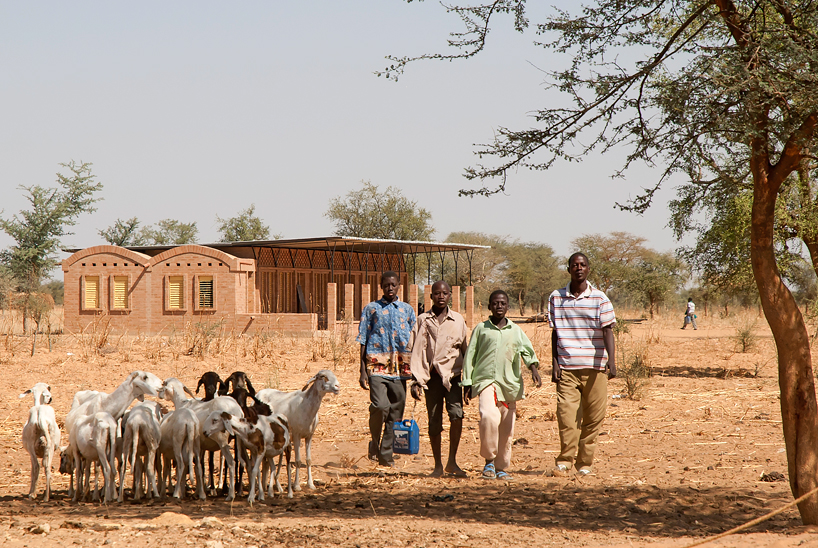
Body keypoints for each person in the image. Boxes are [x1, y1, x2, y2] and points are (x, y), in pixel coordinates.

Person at [462, 289, 541, 480]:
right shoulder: (481, 329)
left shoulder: (515, 330)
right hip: (485, 381)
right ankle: (489, 460)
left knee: (507, 428)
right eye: (495, 303)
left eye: (503, 303)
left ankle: (501, 467)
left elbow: (527, 352)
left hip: (509, 384)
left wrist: (534, 369)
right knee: (488, 416)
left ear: (507, 306)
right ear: (489, 307)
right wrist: (467, 383)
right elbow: (470, 356)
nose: (499, 306)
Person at [549, 252, 616, 477]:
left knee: (593, 418)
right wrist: (555, 363)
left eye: (583, 265)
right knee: (567, 417)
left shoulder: (600, 298)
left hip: (595, 367)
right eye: (574, 265)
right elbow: (555, 333)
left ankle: (585, 463)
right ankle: (565, 461)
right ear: (568, 269)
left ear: (588, 269)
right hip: (567, 367)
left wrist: (612, 362)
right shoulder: (556, 298)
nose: (579, 268)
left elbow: (608, 331)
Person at [410, 280, 468, 478]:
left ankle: (452, 461)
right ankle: (437, 465)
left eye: (444, 293)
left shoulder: (458, 320)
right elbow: (415, 352)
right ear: (431, 296)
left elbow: (466, 351)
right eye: (437, 293)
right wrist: (415, 380)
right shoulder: (422, 320)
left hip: (454, 378)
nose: (441, 296)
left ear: (450, 295)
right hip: (431, 379)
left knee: (457, 416)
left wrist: (468, 382)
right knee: (434, 421)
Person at [358, 271, 417, 467]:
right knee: (380, 406)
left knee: (396, 412)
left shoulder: (407, 310)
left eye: (393, 285)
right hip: (377, 366)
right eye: (386, 285)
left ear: (399, 285)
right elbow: (363, 340)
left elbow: (415, 339)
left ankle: (386, 453)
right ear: (381, 286)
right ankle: (374, 443)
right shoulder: (371, 309)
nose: (390, 288)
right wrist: (362, 370)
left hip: (401, 368)